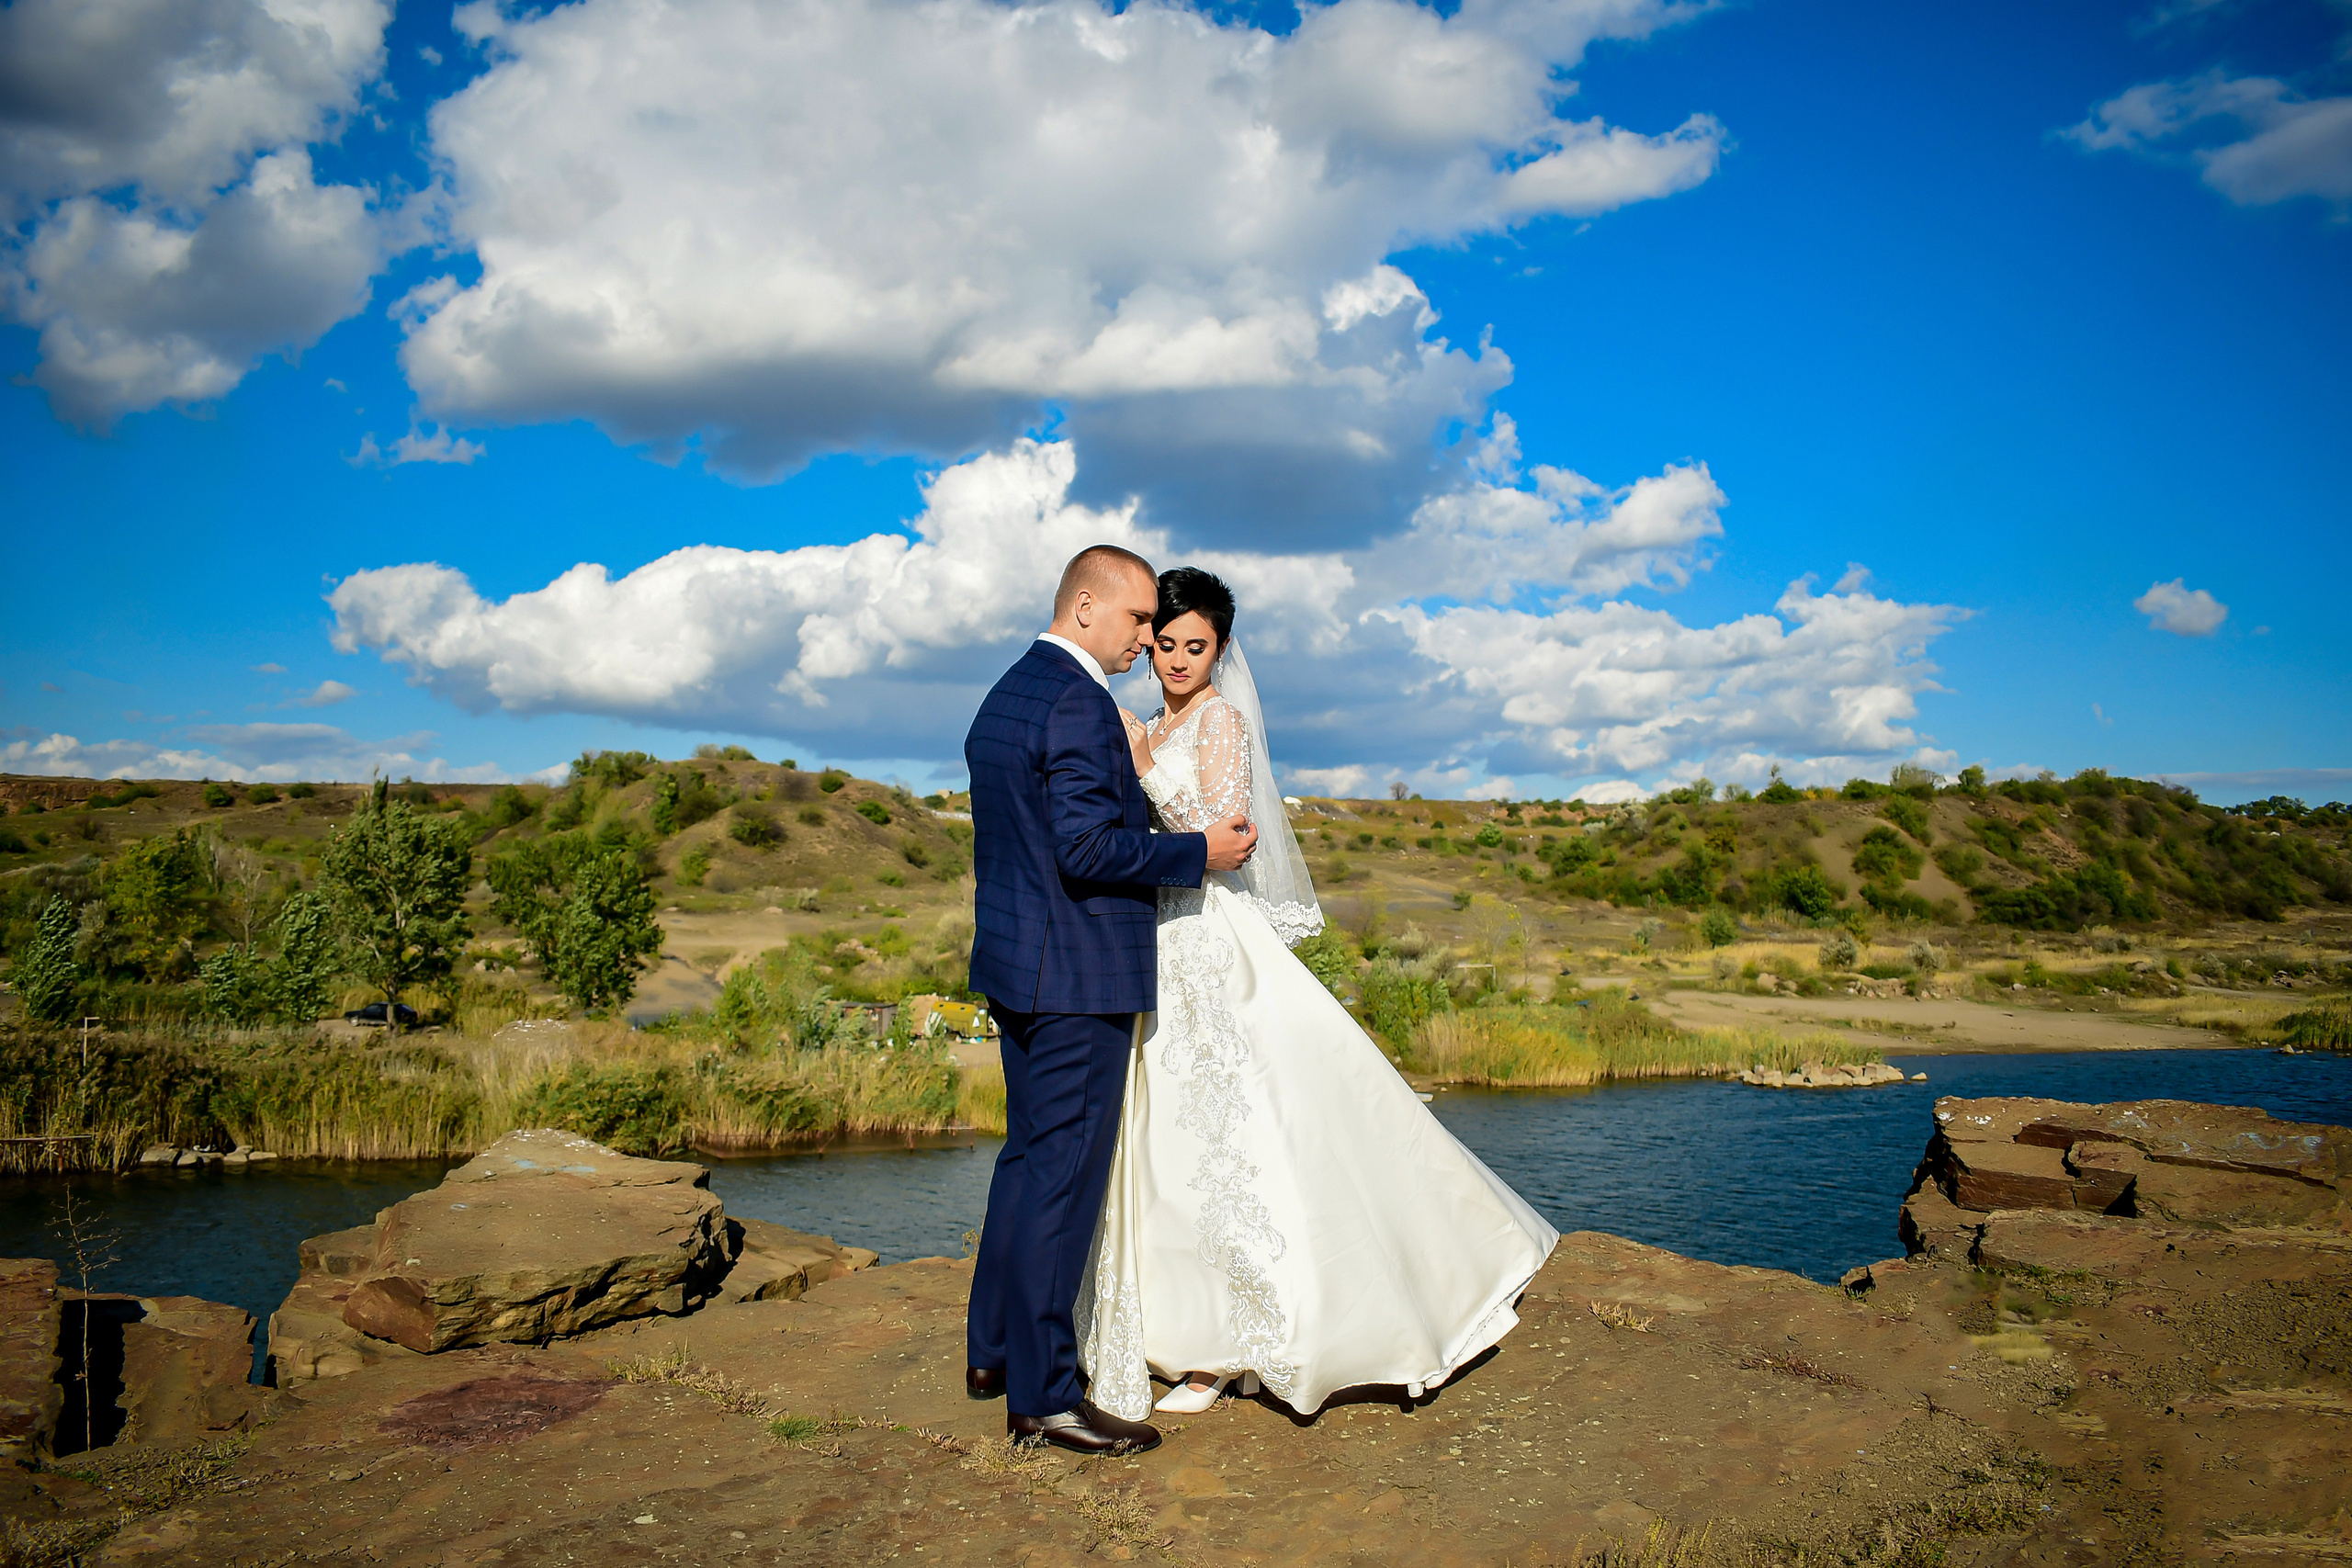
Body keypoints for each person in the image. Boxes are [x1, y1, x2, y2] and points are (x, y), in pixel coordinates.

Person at [1074, 567, 1558, 1420]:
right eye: (1167, 645)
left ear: (1221, 652)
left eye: (1197, 647)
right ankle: (1187, 1327)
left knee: (1244, 1131)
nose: (1178, 660)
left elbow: (1226, 837)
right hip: (1156, 946)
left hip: (1214, 939)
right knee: (1170, 1142)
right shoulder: (1153, 718)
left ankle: (1239, 1345)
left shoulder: (1218, 723)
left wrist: (1148, 768)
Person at [961, 545, 1259, 1456]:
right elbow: (1085, 850)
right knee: (1061, 1180)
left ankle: (995, 1351)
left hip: (1019, 966)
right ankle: (1046, 1397)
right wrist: (1192, 855)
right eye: (1137, 621)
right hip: (1077, 977)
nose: (1146, 639)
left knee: (1024, 1163)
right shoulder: (1080, 706)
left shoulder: (1009, 692)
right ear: (1087, 609)